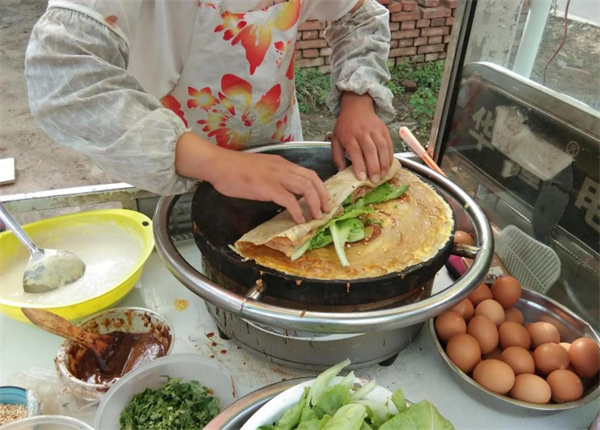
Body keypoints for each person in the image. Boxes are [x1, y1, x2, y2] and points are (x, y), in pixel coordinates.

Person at [25, 0, 395, 224]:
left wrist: (358, 99)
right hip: (164, 168)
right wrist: (218, 165)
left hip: (278, 155)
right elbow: (63, 74)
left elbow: (359, 16)